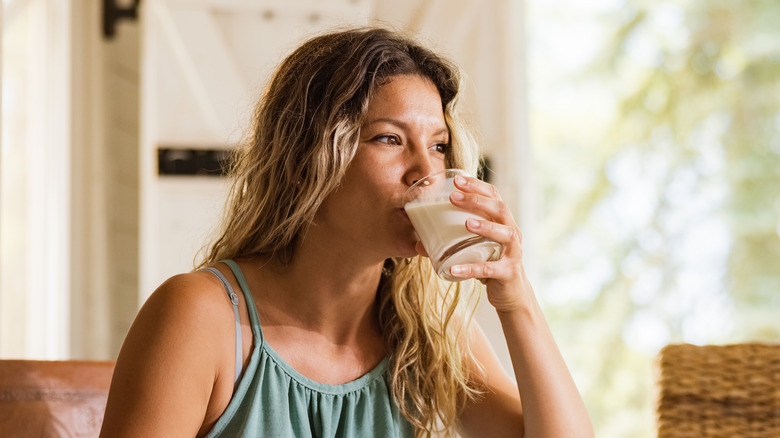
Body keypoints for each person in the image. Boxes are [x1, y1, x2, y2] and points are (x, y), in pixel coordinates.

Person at [99, 27, 593, 438]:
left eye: (439, 146)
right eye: (390, 139)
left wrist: (515, 298)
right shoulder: (200, 317)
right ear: (306, 159)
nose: (426, 169)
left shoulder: (424, 334)